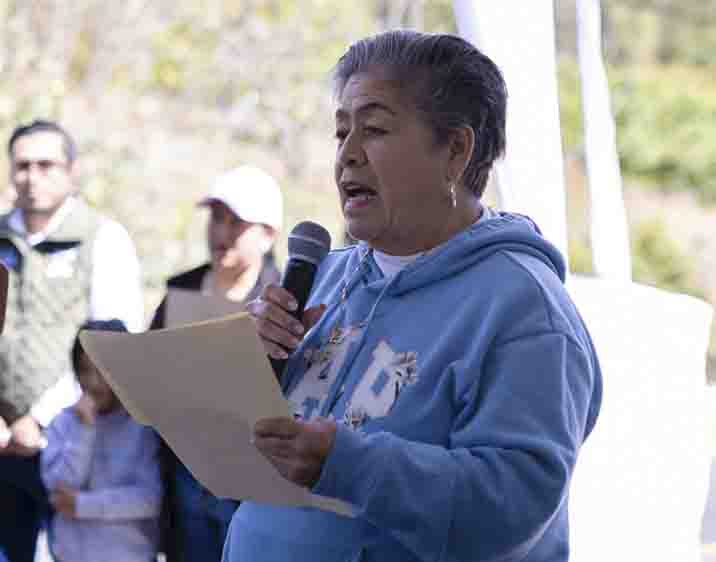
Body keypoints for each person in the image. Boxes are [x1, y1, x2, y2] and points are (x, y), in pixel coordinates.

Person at [232, 30, 603, 562]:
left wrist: (350, 465)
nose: (348, 157)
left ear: (455, 149)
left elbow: (517, 503)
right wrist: (248, 367)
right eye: (341, 134)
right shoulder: (327, 276)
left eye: (375, 130)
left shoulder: (524, 309)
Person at [0, 119, 144, 562]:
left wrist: (44, 418)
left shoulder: (103, 237)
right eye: (22, 165)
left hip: (75, 443)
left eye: (47, 165)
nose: (33, 177)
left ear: (72, 170)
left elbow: (115, 346)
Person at [150, 165, 282, 562]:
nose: (221, 233)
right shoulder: (181, 290)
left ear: (267, 234)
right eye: (216, 219)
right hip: (184, 474)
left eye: (236, 222)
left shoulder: (286, 299)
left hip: (252, 480)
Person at [41, 319, 162, 562]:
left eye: (102, 370)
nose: (93, 382)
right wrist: (84, 430)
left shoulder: (142, 427)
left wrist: (83, 505)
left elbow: (149, 499)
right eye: (85, 370)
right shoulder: (64, 423)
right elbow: (60, 487)